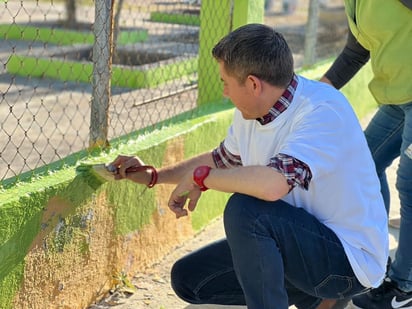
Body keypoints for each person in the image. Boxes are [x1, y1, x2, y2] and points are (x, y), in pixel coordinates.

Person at [110, 23, 389, 309]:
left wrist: (202, 178)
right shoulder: (250, 114)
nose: (224, 93)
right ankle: (316, 297)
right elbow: (220, 161)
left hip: (349, 262)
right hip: (304, 244)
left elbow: (272, 185)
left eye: (225, 83)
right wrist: (154, 176)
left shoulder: (322, 110)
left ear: (254, 84)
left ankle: (326, 294)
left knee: (247, 212)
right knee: (190, 279)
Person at [319, 1, 412, 308]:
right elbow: (356, 51)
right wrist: (318, 90)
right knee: (364, 166)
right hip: (399, 99)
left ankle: (404, 286)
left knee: (409, 188)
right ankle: (377, 261)